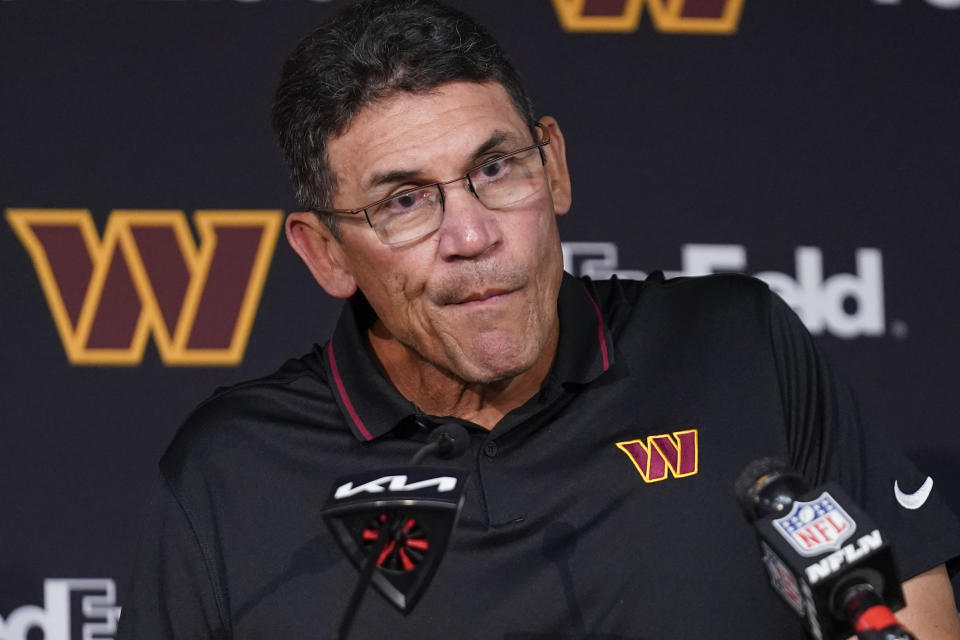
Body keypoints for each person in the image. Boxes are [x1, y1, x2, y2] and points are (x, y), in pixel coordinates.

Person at [117, 1, 960, 638]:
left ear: (552, 167)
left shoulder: (736, 348)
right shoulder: (231, 472)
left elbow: (909, 613)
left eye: (495, 167)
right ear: (326, 253)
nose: (474, 234)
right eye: (405, 201)